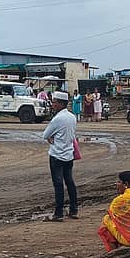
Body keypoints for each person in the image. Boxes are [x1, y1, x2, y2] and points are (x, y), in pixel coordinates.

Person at [41, 91, 78, 222]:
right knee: (70, 182)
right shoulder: (72, 117)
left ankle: (58, 213)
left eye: (54, 102)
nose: (53, 104)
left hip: (57, 155)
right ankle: (74, 210)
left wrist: (51, 137)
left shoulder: (57, 119)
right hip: (69, 154)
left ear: (61, 104)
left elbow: (45, 135)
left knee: (58, 185)